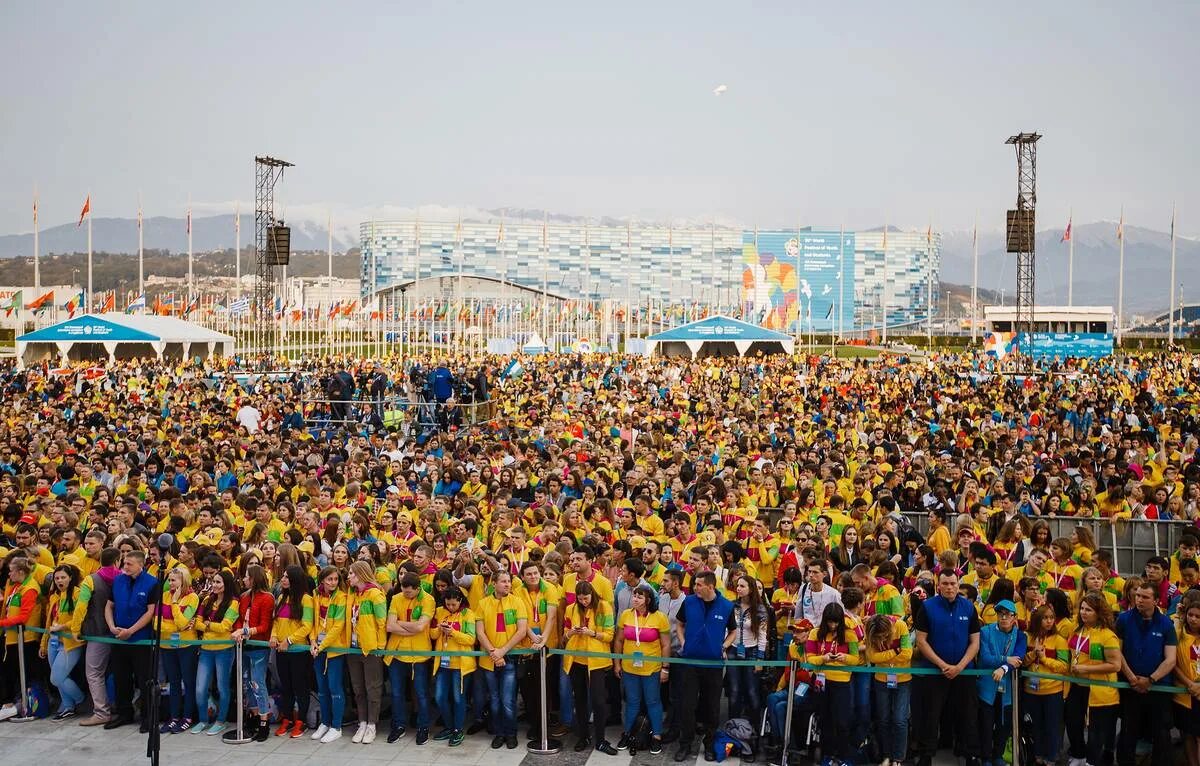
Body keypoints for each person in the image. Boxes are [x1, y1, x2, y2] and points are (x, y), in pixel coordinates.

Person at [912, 568, 981, 766]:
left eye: (953, 584)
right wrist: (942, 665)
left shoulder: (968, 608)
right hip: (935, 671)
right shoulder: (927, 607)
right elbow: (921, 641)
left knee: (968, 714)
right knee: (931, 714)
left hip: (964, 670)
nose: (949, 587)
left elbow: (975, 642)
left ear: (958, 584)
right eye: (945, 584)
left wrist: (960, 666)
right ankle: (926, 756)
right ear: (938, 585)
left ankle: (971, 755)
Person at [673, 571, 734, 763]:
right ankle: (685, 744)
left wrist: (723, 646)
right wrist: (684, 643)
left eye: (698, 584)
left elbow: (733, 630)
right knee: (687, 706)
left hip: (714, 665)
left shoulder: (726, 605)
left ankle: (709, 745)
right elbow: (680, 624)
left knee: (712, 707)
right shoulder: (689, 602)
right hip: (690, 663)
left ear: (710, 586)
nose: (694, 588)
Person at [1115, 581, 1177, 766]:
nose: (1139, 600)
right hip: (1130, 686)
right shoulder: (1124, 619)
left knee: (1161, 734)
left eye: (1145, 597)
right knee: (1128, 731)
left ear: (1156, 600)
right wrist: (1133, 679)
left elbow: (1171, 659)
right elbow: (1116, 651)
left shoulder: (1166, 624)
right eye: (1137, 596)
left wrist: (1150, 680)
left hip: (1159, 688)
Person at [102, 549, 159, 731]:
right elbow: (109, 606)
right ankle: (124, 713)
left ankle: (148, 717)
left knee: (144, 679)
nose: (124, 567)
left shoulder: (152, 583)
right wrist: (112, 627)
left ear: (140, 565)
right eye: (124, 563)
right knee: (121, 678)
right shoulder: (118, 580)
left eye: (129, 564)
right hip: (119, 639)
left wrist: (131, 630)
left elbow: (150, 612)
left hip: (141, 640)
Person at [1064, 591, 1122, 766]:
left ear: (1099, 612)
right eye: (1082, 608)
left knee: (1097, 731)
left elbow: (1115, 665)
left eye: (1088, 610)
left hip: (1100, 689)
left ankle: (1092, 761)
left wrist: (1086, 668)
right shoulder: (1076, 630)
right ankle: (1079, 755)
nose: (1083, 612)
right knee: (1073, 722)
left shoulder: (1107, 635)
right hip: (1076, 685)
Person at [563, 580, 617, 755]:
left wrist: (592, 633)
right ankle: (583, 736)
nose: (583, 602)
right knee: (579, 700)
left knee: (599, 701)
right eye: (580, 599)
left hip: (597, 661)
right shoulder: (571, 608)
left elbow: (609, 635)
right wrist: (572, 632)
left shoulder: (604, 607)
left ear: (592, 594)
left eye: (586, 598)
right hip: (577, 660)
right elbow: (565, 632)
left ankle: (600, 740)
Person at [614, 583, 670, 754]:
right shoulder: (625, 615)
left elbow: (666, 644)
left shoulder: (659, 617)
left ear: (648, 600)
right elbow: (619, 640)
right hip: (630, 667)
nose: (635, 599)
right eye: (634, 596)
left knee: (653, 701)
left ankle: (656, 736)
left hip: (651, 668)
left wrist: (665, 668)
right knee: (632, 702)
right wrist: (617, 663)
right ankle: (628, 733)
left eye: (639, 596)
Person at [476, 569, 528, 750]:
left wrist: (503, 651)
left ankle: (511, 733)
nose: (507, 584)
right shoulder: (483, 603)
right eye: (503, 581)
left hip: (510, 658)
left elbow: (521, 630)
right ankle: (499, 733)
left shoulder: (517, 602)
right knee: (495, 699)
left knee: (508, 700)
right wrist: (493, 652)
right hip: (489, 659)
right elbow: (480, 631)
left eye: (509, 581)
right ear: (494, 583)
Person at [804, 602, 861, 766]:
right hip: (821, 680)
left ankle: (843, 756)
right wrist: (824, 658)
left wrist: (845, 658)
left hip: (842, 681)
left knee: (842, 721)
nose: (833, 625)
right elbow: (810, 658)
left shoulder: (849, 635)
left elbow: (856, 659)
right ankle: (827, 755)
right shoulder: (815, 633)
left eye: (836, 622)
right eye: (830, 622)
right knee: (825, 719)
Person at [384, 572, 435, 744]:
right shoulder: (396, 598)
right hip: (396, 653)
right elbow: (389, 625)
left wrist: (400, 623)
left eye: (409, 593)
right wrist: (410, 627)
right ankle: (398, 726)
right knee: (397, 694)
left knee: (421, 694)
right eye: (404, 591)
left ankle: (423, 727)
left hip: (419, 655)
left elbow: (421, 627)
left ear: (417, 589)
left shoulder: (428, 600)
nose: (405, 594)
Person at [72, 546, 121, 726]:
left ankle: (101, 712)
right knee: (119, 672)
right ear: (117, 561)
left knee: (94, 673)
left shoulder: (90, 580)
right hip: (121, 632)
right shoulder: (123, 578)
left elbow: (81, 607)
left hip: (97, 633)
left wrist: (75, 629)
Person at [976, 599, 1027, 766]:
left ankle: (998, 755)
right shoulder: (985, 631)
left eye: (1007, 614)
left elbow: (1018, 659)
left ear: (1014, 617)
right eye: (1000, 614)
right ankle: (985, 757)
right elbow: (985, 658)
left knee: (1004, 725)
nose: (1003, 617)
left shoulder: (1020, 636)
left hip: (1008, 688)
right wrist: (1006, 660)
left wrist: (1003, 668)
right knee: (986, 724)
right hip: (987, 687)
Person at [191, 570, 238, 736]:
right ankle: (203, 720)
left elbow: (226, 626)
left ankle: (221, 720)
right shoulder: (206, 600)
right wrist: (208, 625)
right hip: (205, 650)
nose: (215, 585)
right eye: (213, 582)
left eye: (218, 582)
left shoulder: (233, 603)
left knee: (222, 687)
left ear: (226, 585)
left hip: (224, 650)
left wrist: (207, 625)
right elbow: (197, 623)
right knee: (200, 688)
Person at [346, 559, 387, 744]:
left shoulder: (375, 594)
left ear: (361, 574)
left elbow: (382, 623)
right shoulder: (354, 594)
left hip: (371, 649)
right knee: (358, 688)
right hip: (353, 648)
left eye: (352, 573)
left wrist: (380, 647)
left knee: (373, 688)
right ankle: (362, 722)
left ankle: (372, 724)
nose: (348, 577)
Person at [863, 612, 913, 766]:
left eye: (885, 636)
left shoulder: (901, 625)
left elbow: (907, 654)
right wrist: (894, 652)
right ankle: (886, 754)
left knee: (900, 719)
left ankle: (898, 757)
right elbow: (872, 657)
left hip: (903, 679)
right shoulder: (870, 628)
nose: (883, 639)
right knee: (883, 719)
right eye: (879, 637)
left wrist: (884, 656)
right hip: (881, 679)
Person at [0, 556, 46, 721]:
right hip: (12, 638)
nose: (9, 574)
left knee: (23, 674)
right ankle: (14, 704)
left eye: (11, 571)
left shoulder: (30, 588)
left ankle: (26, 707)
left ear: (20, 571)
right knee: (10, 672)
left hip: (25, 640)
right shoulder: (17, 586)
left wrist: (1, 623)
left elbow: (23, 617)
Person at [1022, 604, 1069, 766]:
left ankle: (1052, 757)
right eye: (1045, 618)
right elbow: (1021, 662)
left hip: (1052, 691)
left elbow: (1064, 666)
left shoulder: (1059, 640)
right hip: (1030, 690)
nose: (1049, 621)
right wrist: (1032, 654)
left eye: (1051, 617)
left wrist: (1044, 659)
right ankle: (1038, 755)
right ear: (1037, 619)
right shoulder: (1026, 637)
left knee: (1052, 726)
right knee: (1035, 726)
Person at [271, 564, 314, 738]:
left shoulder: (306, 599)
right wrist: (274, 637)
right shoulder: (281, 596)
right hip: (281, 651)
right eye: (283, 576)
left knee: (300, 686)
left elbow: (307, 626)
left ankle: (300, 721)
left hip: (298, 652)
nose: (283, 579)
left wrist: (289, 640)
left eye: (287, 577)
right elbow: (276, 622)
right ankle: (287, 718)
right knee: (285, 687)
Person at [233, 564, 275, 740]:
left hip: (259, 646)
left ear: (254, 578)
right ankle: (254, 715)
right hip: (244, 646)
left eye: (247, 576)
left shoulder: (267, 598)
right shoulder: (243, 597)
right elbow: (239, 620)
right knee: (246, 683)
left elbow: (265, 626)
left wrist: (245, 632)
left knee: (258, 682)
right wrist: (238, 631)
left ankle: (264, 721)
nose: (243, 579)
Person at [431, 585, 476, 747]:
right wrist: (439, 629)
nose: (450, 607)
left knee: (459, 699)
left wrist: (453, 633)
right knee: (440, 697)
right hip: (443, 663)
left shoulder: (468, 614)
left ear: (460, 601)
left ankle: (458, 729)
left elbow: (471, 639)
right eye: (448, 604)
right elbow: (432, 635)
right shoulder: (440, 611)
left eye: (453, 605)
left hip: (461, 665)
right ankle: (449, 727)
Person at [41, 564, 85, 721]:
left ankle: (80, 699)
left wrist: (63, 626)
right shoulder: (54, 596)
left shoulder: (77, 594)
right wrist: (43, 644)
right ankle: (67, 705)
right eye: (57, 578)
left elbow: (79, 618)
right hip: (53, 641)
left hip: (70, 643)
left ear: (71, 578)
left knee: (56, 678)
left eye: (63, 577)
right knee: (59, 676)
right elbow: (49, 622)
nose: (59, 580)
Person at [157, 566, 199, 732]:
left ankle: (187, 716)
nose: (171, 583)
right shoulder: (163, 595)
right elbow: (156, 623)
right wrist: (174, 628)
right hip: (167, 645)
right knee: (173, 682)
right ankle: (174, 717)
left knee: (188, 682)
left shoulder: (192, 598)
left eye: (174, 580)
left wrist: (174, 603)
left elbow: (183, 622)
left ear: (184, 581)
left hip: (186, 646)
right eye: (169, 579)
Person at [310, 566, 349, 744]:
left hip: (334, 650)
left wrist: (321, 645)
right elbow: (313, 621)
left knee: (334, 688)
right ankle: (324, 722)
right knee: (322, 689)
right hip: (317, 648)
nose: (332, 582)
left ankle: (336, 726)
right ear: (322, 580)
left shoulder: (342, 597)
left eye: (335, 579)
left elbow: (337, 626)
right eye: (329, 579)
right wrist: (312, 641)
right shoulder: (315, 595)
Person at [724, 573, 768, 721]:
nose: (738, 589)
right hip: (733, 649)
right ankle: (732, 727)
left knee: (752, 691)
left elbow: (762, 636)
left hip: (752, 651)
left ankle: (754, 728)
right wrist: (724, 647)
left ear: (751, 589)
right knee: (734, 691)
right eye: (738, 586)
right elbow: (727, 629)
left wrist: (760, 659)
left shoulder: (760, 609)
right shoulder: (731, 606)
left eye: (742, 586)